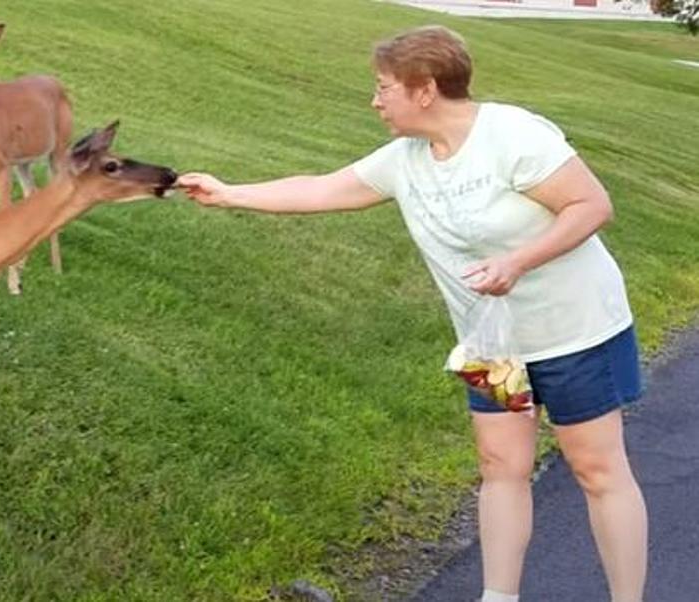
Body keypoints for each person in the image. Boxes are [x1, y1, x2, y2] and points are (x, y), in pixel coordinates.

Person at [178, 25, 647, 602]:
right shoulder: (407, 159)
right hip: (493, 345)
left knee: (596, 470)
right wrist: (229, 193)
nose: (374, 101)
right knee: (501, 464)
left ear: (424, 90)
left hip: (575, 333)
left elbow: (592, 205)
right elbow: (324, 189)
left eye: (383, 88)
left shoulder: (512, 135)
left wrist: (519, 261)